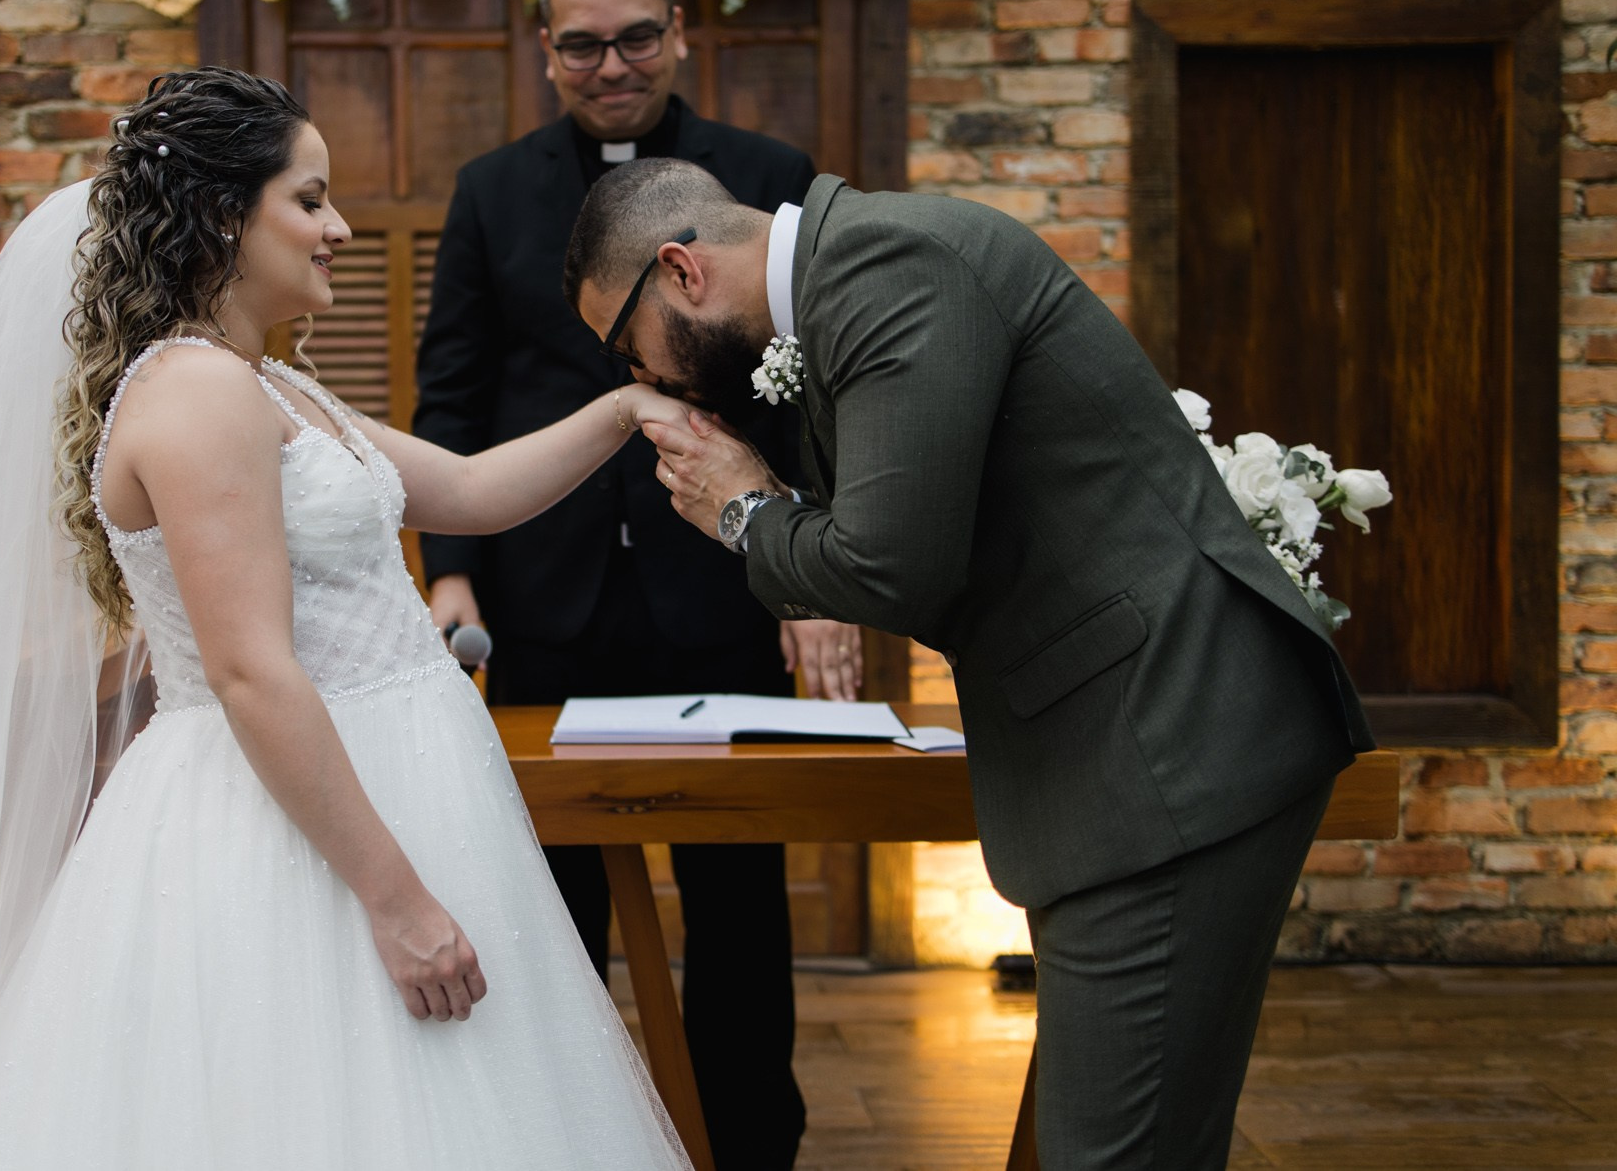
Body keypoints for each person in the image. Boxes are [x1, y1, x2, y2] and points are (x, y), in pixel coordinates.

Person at [0, 70, 699, 1170]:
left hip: (396, 777)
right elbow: (251, 672)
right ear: (223, 213)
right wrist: (397, 899)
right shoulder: (199, 395)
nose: (339, 228)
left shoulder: (266, 384)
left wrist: (627, 407)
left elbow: (470, 488)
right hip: (299, 830)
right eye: (307, 200)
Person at [563, 159, 1377, 1171]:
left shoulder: (881, 268)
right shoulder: (843, 281)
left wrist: (744, 513)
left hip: (1164, 744)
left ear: (680, 270)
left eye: (624, 347)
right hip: (1126, 747)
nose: (642, 379)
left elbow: (889, 570)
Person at [413, 0, 849, 1170]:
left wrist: (813, 572)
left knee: (736, 919)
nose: (614, 65)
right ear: (543, 49)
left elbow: (816, 395)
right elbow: (452, 397)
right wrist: (450, 567)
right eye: (583, 43)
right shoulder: (490, 190)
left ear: (678, 32)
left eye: (637, 37)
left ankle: (749, 1148)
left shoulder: (765, 174)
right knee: (554, 917)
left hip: (726, 588)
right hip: (545, 606)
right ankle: (561, 1144)